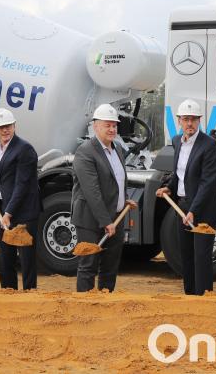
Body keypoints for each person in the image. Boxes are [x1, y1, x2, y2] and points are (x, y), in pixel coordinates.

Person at [155, 99, 216, 296]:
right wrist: (168, 188)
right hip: (182, 206)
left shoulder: (210, 145)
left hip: (204, 209)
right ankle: (190, 295)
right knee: (186, 254)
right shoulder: (177, 141)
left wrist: (193, 211)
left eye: (193, 119)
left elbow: (207, 182)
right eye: (186, 119)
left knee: (201, 256)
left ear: (200, 120)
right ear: (179, 121)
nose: (189, 124)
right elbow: (179, 174)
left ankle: (204, 297)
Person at [71, 104, 137, 292]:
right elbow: (92, 191)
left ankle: (106, 305)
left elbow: (118, 180)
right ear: (96, 126)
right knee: (88, 265)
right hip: (91, 220)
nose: (112, 129)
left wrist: (124, 200)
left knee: (110, 267)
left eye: (114, 125)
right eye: (107, 125)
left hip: (115, 218)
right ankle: (84, 309)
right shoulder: (85, 151)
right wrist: (105, 221)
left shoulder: (117, 149)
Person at [0, 108, 41, 290]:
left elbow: (22, 184)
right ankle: (8, 293)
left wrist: (8, 213)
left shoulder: (25, 149)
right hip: (3, 208)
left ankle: (30, 293)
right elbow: (2, 178)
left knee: (26, 257)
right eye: (0, 128)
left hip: (24, 211)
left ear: (14, 126)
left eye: (8, 126)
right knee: (5, 255)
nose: (5, 130)